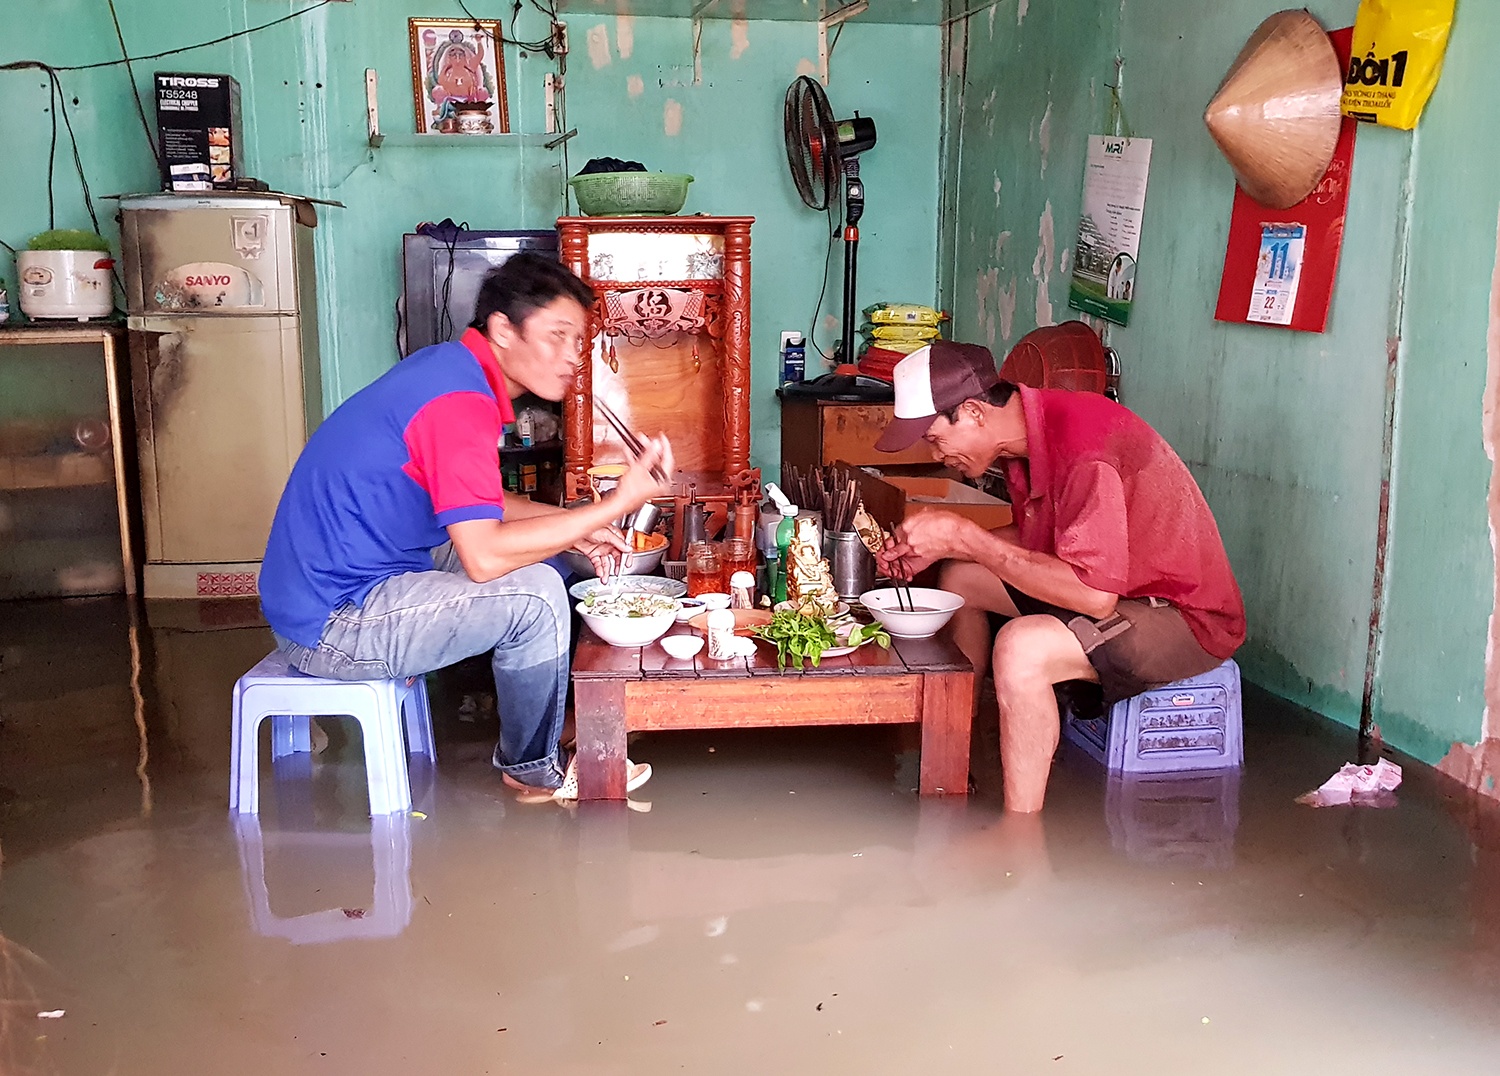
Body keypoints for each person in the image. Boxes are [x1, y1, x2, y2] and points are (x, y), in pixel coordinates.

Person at [259, 253, 672, 800]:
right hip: (333, 622)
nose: (574, 357)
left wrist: (572, 529)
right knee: (538, 594)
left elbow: (479, 502)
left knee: (551, 557)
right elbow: (484, 556)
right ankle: (531, 768)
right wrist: (613, 504)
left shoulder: (451, 370)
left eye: (579, 341)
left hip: (356, 580)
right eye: (558, 335)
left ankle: (550, 721)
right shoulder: (458, 400)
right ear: (503, 329)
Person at [873, 339, 1245, 813]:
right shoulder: (1028, 438)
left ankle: (1019, 840)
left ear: (971, 412)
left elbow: (1093, 595)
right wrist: (944, 547)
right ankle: (956, 749)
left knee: (1021, 647)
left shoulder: (1084, 447)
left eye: (934, 438)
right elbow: (1037, 537)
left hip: (1180, 615)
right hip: (1118, 588)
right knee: (961, 579)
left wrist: (967, 537)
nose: (939, 454)